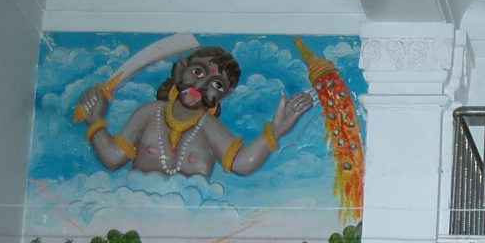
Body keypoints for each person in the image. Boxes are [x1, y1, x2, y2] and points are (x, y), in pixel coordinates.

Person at [77, 44, 314, 178]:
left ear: (224, 95)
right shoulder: (148, 113)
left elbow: (242, 163)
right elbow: (113, 158)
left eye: (217, 84)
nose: (201, 85)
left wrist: (275, 131)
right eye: (198, 72)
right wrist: (95, 121)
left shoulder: (208, 127)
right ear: (181, 70)